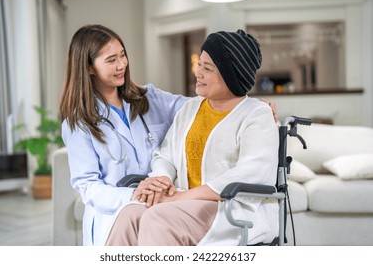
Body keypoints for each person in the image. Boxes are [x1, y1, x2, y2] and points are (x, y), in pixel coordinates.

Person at [59, 24, 278, 246]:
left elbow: (221, 104)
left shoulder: (150, 98)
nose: (121, 64)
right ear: (89, 68)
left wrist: (248, 102)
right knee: (129, 215)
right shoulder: (78, 123)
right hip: (124, 205)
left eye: (123, 55)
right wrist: (154, 183)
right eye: (111, 60)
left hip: (182, 202)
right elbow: (89, 186)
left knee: (155, 218)